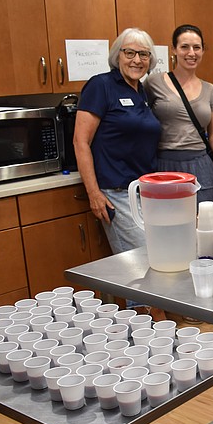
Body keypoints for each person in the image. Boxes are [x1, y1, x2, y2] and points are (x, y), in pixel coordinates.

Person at [73, 28, 165, 320]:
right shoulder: (101, 86)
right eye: (130, 52)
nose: (137, 59)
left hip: (146, 192)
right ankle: (147, 333)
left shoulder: (143, 91)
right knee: (138, 268)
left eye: (144, 54)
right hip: (116, 193)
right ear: (117, 55)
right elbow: (81, 141)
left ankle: (151, 330)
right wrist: (93, 193)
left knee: (153, 263)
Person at [145, 24, 213, 203]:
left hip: (201, 166)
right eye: (184, 47)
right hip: (165, 165)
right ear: (174, 49)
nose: (191, 53)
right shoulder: (154, 83)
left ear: (202, 51)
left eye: (197, 47)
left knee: (202, 224)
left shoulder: (209, 90)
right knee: (167, 225)